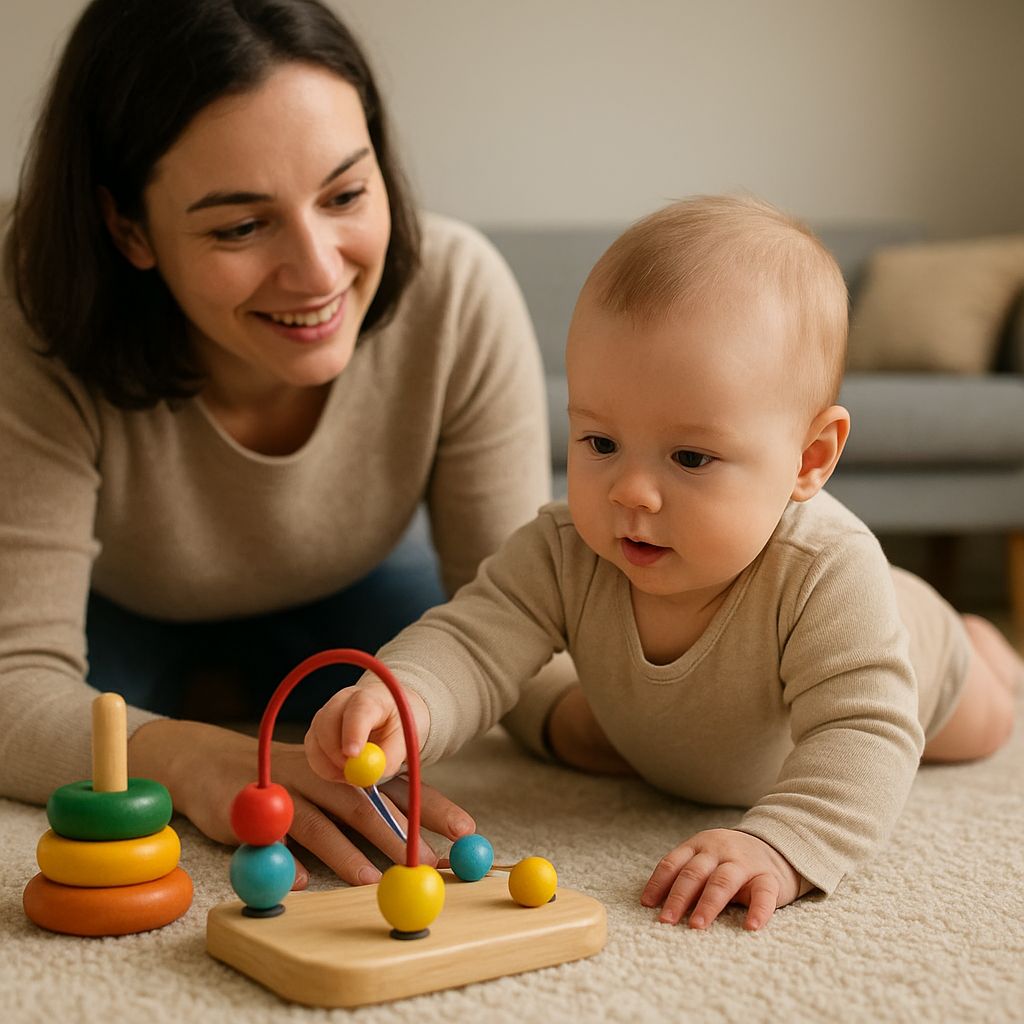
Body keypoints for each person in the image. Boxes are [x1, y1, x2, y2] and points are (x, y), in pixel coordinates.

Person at [305, 195, 1021, 929]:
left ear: (810, 460)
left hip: (915, 653)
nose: (631, 493)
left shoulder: (826, 571)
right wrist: (409, 699)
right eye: (600, 443)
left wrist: (783, 843)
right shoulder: (565, 548)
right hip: (713, 736)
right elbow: (475, 637)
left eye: (689, 457)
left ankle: (985, 645)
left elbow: (867, 731)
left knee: (986, 723)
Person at [0, 0, 555, 888]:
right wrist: (191, 757)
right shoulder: (26, 317)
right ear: (127, 228)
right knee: (98, 723)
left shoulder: (457, 291)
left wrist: (618, 719)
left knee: (426, 670)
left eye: (345, 194)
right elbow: (14, 681)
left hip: (357, 587)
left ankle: (235, 684)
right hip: (123, 609)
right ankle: (211, 695)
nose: (319, 272)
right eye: (239, 226)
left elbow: (523, 628)